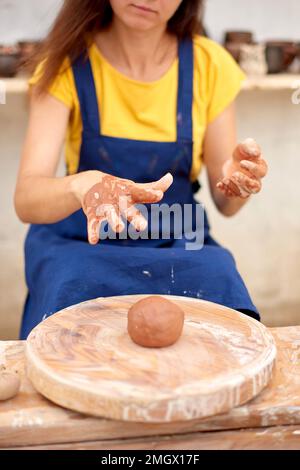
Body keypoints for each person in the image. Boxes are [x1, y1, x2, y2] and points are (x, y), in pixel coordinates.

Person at [15, 0, 268, 339]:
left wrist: (240, 182)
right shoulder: (66, 61)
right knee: (72, 281)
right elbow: (27, 199)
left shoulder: (210, 64)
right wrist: (83, 185)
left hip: (177, 237)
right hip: (82, 241)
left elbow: (227, 204)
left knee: (218, 275)